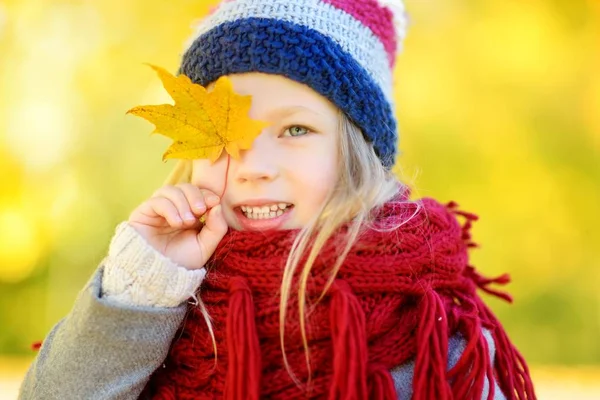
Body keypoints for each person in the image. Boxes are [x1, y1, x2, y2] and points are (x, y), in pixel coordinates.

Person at [19, 0, 536, 399]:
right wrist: (139, 292)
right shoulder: (160, 295)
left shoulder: (423, 324)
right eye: (223, 134)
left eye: (294, 127)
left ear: (359, 152)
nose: (254, 165)